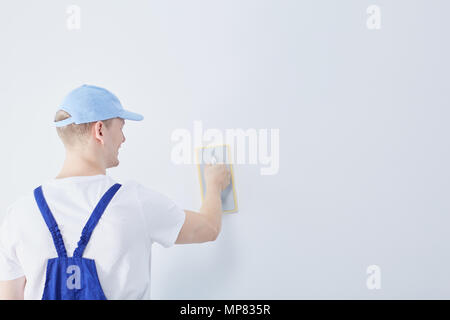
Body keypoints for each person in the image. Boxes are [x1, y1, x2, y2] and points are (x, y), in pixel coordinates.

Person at [0, 84, 231, 299]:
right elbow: (208, 228)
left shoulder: (19, 214)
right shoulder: (135, 202)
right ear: (100, 130)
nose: (123, 139)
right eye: (121, 127)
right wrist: (212, 184)